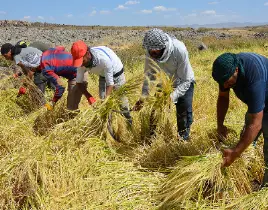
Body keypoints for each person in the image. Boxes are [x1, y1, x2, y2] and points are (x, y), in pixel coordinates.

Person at [212, 52, 268, 187]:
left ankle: (265, 189)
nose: (224, 86)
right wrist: (220, 125)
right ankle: (244, 173)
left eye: (227, 82)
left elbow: (256, 123)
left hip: (265, 94)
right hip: (257, 102)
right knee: (245, 139)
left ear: (236, 70)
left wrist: (235, 152)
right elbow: (223, 97)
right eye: (221, 83)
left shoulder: (254, 78)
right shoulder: (225, 72)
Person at [133, 28, 195, 141]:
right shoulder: (150, 52)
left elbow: (186, 80)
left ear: (163, 47)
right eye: (150, 51)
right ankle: (152, 138)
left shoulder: (179, 50)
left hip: (183, 83)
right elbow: (149, 76)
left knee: (184, 114)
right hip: (164, 83)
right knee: (155, 112)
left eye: (155, 52)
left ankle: (183, 140)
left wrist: (171, 97)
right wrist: (143, 98)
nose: (152, 54)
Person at [70, 40, 132, 124]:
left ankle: (129, 122)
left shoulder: (103, 60)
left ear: (88, 54)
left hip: (117, 73)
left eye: (82, 61)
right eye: (79, 62)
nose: (81, 65)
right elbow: (79, 83)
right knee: (102, 104)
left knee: (123, 104)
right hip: (102, 74)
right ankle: (107, 126)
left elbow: (110, 84)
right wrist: (89, 97)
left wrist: (106, 101)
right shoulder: (82, 63)